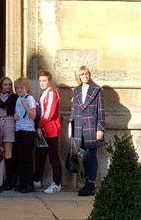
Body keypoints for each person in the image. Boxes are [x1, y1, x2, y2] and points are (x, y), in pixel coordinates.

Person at [70, 65, 105, 196]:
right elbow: (74, 109)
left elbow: (101, 111)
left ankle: (90, 184)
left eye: (86, 74)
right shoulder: (77, 90)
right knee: (84, 156)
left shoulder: (97, 90)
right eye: (82, 74)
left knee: (92, 155)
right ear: (79, 76)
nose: (85, 76)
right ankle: (87, 182)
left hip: (92, 127)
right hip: (80, 127)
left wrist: (100, 129)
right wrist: (71, 126)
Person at [34, 70, 62, 194]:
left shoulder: (51, 93)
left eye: (44, 81)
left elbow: (49, 113)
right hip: (43, 130)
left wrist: (39, 126)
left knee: (53, 157)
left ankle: (57, 182)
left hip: (50, 130)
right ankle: (36, 179)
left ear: (49, 81)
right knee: (40, 156)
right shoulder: (42, 94)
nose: (42, 83)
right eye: (40, 81)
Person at [0, 76, 17, 191]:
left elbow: (3, 104)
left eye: (9, 84)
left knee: (8, 153)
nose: (7, 87)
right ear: (1, 85)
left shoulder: (13, 96)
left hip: (9, 122)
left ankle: (9, 181)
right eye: (5, 84)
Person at [13, 77, 37, 194]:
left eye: (21, 88)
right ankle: (22, 182)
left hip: (28, 131)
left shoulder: (29, 98)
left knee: (27, 158)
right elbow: (17, 113)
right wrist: (15, 116)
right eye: (17, 88)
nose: (19, 90)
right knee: (20, 158)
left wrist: (25, 106)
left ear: (26, 88)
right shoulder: (18, 99)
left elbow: (33, 115)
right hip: (19, 130)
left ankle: (29, 184)